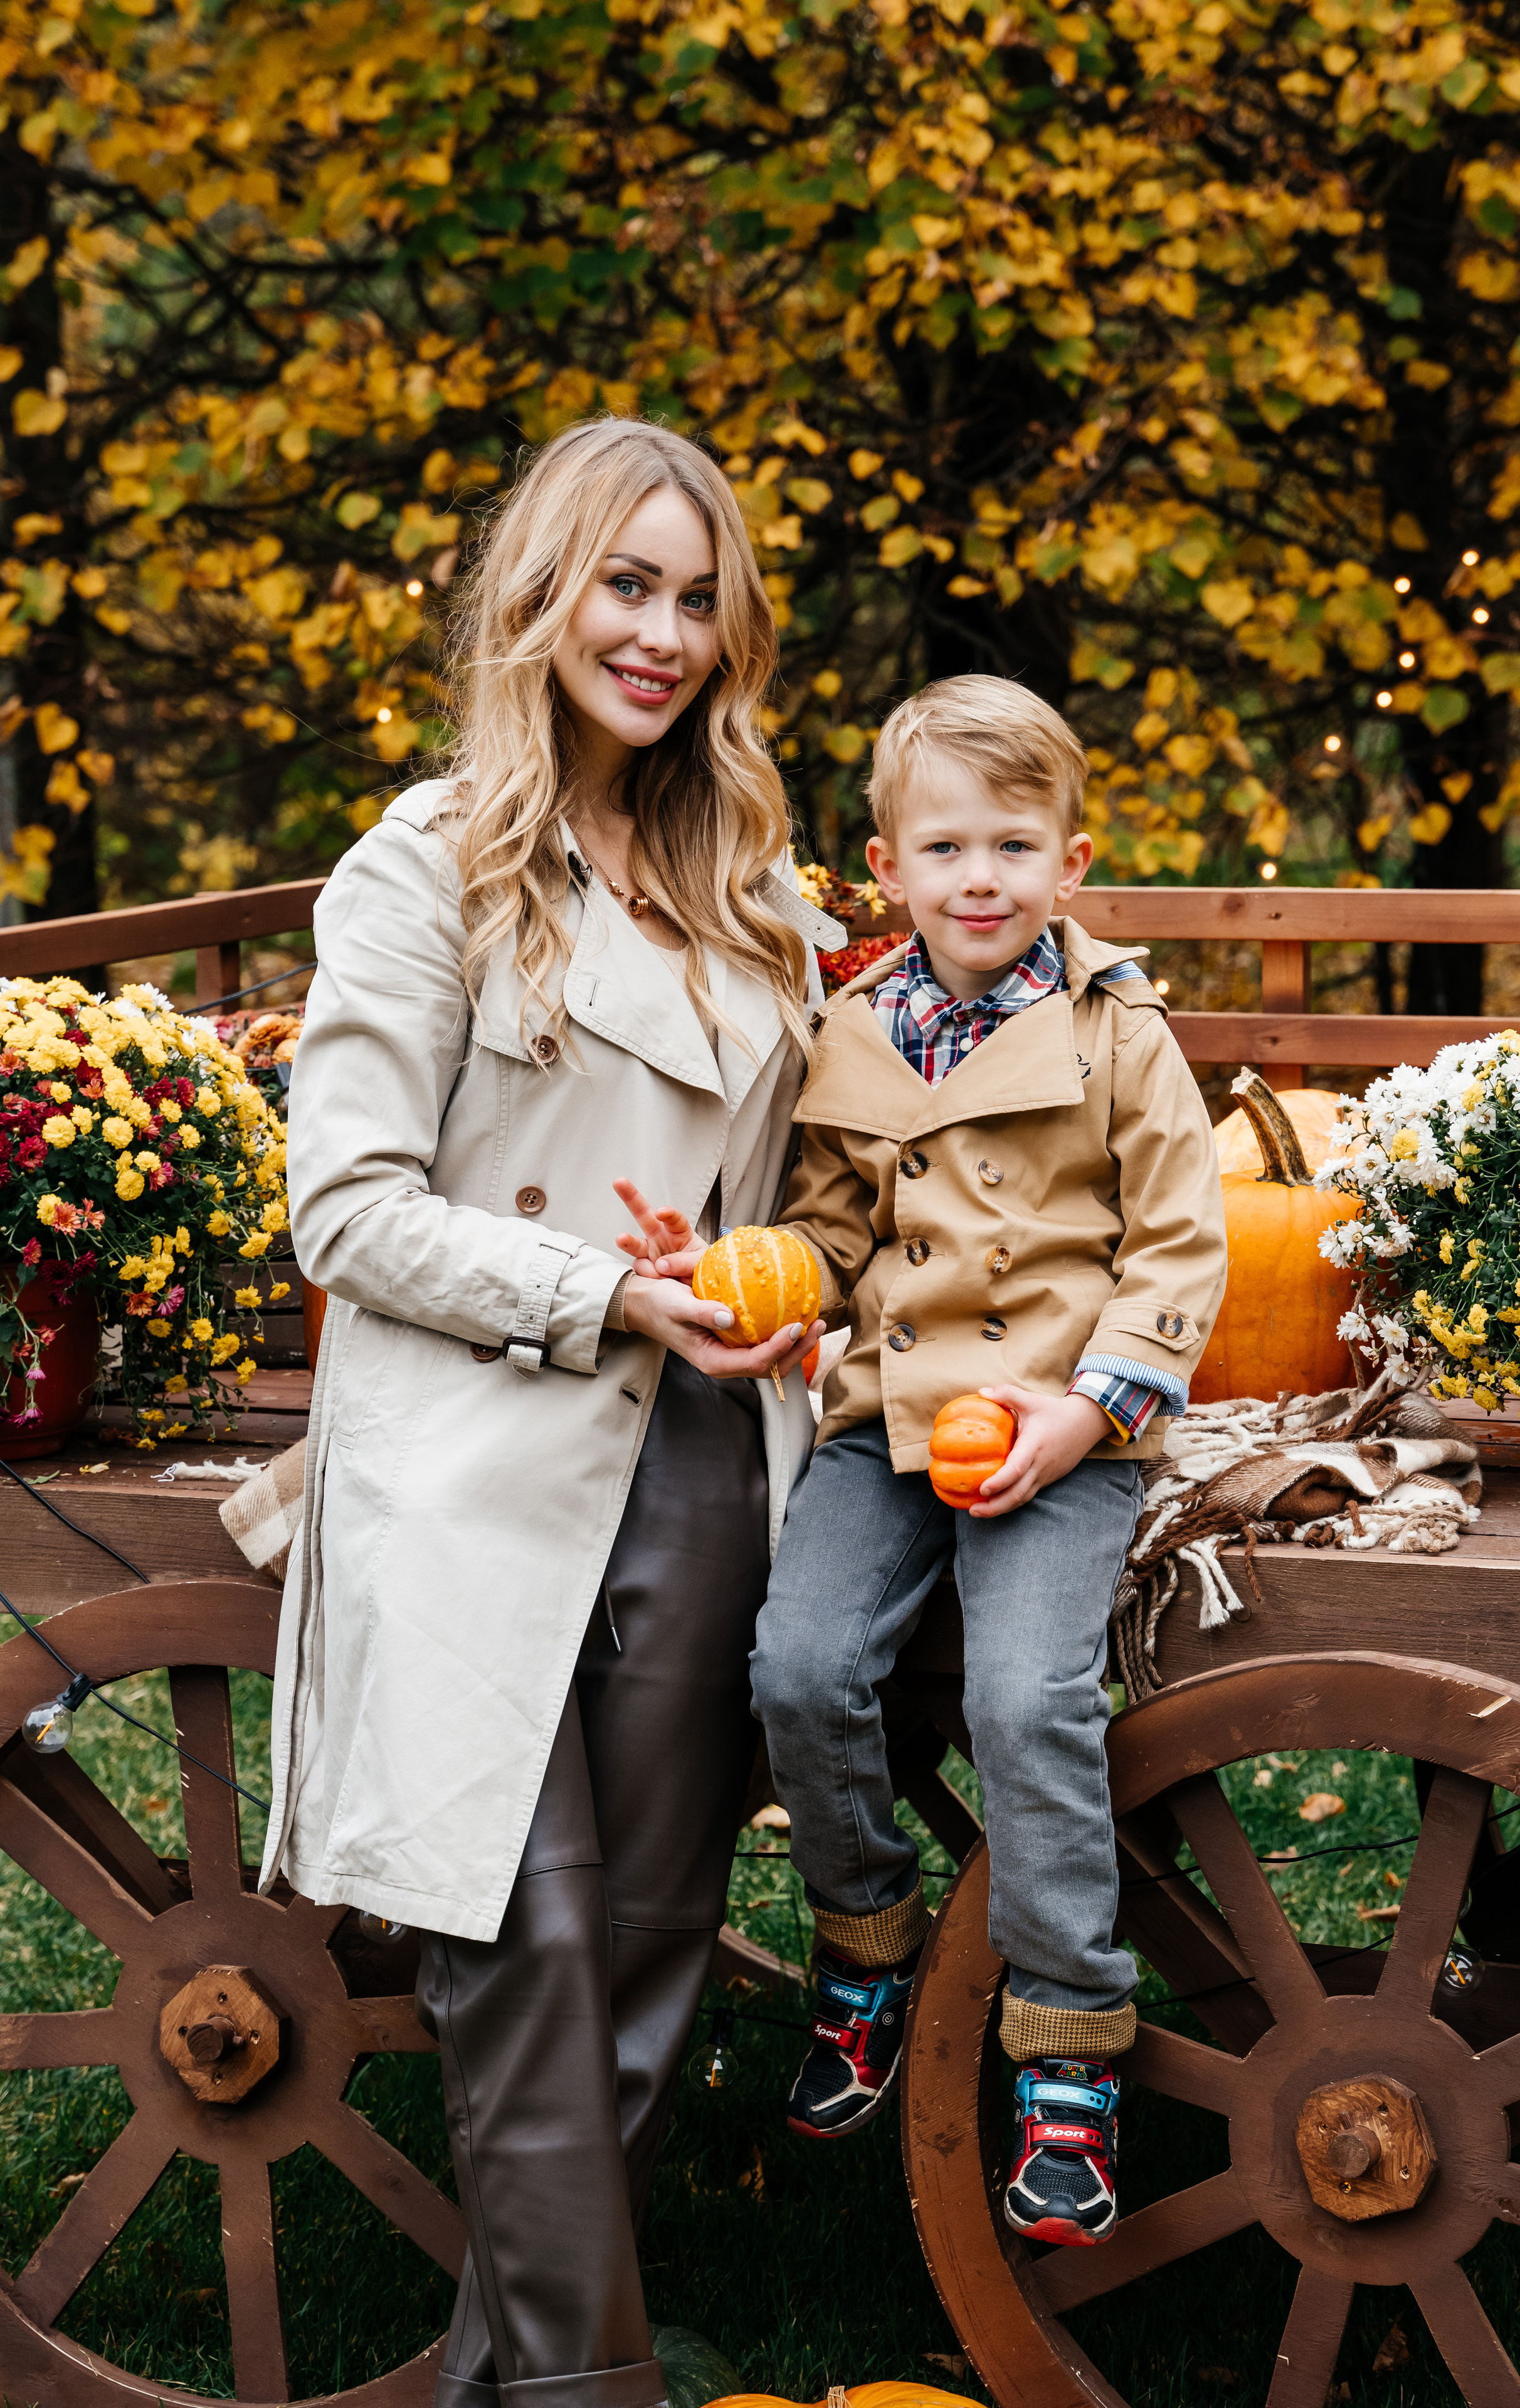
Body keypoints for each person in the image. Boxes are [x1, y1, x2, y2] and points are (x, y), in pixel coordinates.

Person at [259, 417, 831, 2407]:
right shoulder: (423, 866)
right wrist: (606, 1289)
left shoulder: (748, 884)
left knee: (655, 1948)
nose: (661, 634)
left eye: (697, 598)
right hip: (480, 1465)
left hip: (704, 1457)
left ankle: (504, 2387)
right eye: (627, 584)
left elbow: (810, 1176)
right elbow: (346, 1205)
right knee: (529, 1948)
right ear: (542, 592)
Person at [751, 675, 1228, 2246]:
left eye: (1013, 846)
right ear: (884, 866)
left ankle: (1070, 2046)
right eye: (943, 844)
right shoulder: (852, 1030)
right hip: (888, 1420)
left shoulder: (1118, 1033)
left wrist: (1086, 1415)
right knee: (799, 1668)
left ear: (1068, 864)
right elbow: (830, 1231)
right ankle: (865, 1935)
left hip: (1052, 1422)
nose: (979, 878)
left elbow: (1176, 1247)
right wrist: (751, 1280)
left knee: (1027, 1700)